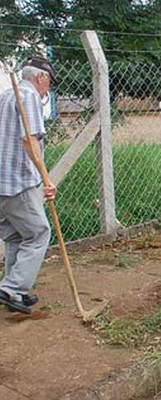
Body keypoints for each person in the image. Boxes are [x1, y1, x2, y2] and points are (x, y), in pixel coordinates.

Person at [0, 56, 58, 314]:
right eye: (50, 83)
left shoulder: (6, 95)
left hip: (1, 180)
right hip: (18, 181)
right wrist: (46, 178)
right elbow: (30, 141)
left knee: (16, 236)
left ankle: (13, 293)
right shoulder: (29, 96)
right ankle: (12, 287)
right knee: (38, 233)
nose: (48, 89)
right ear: (41, 77)